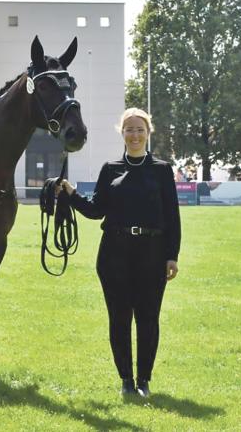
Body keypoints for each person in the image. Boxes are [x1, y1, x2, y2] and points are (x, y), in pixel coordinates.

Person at [61, 108, 181, 398]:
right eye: (129, 129)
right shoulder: (110, 169)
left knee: (148, 318)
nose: (135, 135)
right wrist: (71, 195)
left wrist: (172, 255)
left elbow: (172, 217)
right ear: (122, 133)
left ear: (148, 133)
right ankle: (126, 380)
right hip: (114, 253)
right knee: (119, 318)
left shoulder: (162, 170)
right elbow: (96, 209)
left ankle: (144, 380)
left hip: (152, 253)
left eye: (140, 129)